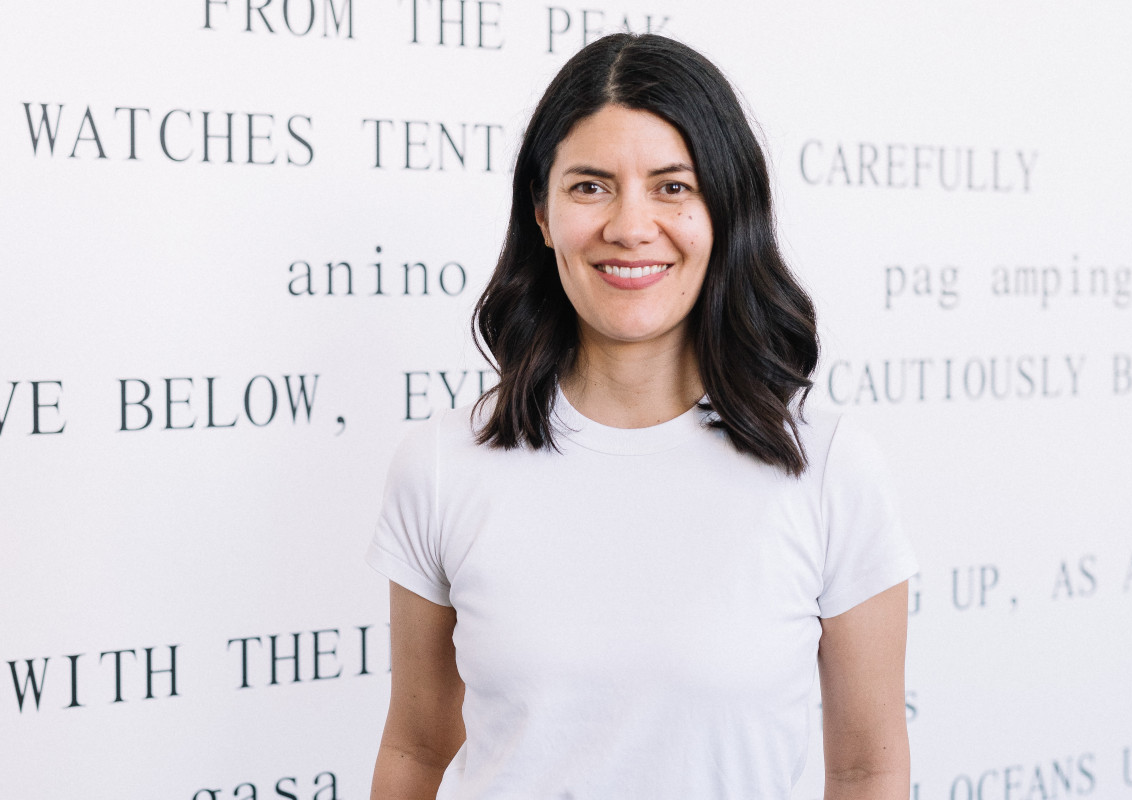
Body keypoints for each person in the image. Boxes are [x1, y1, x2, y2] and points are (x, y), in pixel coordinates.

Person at [366, 32, 918, 800]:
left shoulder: (828, 469)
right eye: (591, 186)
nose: (630, 226)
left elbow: (866, 770)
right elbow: (415, 751)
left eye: (672, 187)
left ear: (725, 209)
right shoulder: (442, 463)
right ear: (541, 213)